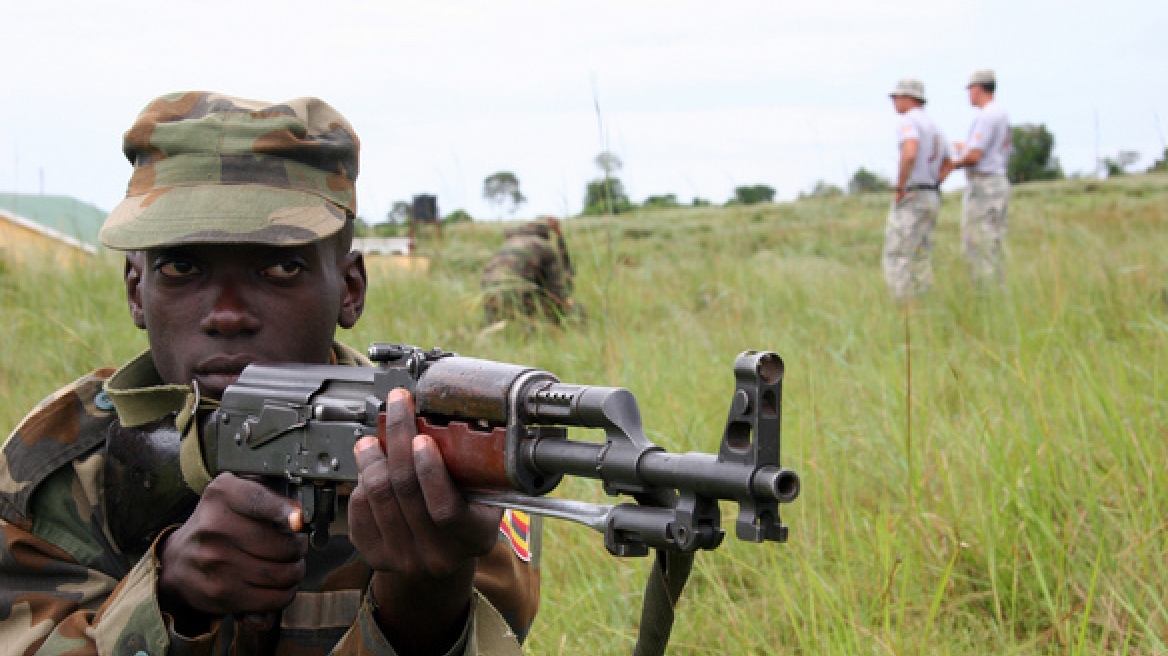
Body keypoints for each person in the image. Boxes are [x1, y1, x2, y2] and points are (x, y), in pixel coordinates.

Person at [0, 92, 538, 656]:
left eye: (281, 266)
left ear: (349, 289)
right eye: (182, 267)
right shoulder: (62, 463)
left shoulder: (449, 448)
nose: (227, 313)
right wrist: (170, 596)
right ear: (137, 291)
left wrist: (421, 600)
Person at [882, 79, 953, 300]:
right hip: (931, 193)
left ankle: (902, 306)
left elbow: (910, 152)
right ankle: (924, 301)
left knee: (899, 253)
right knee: (922, 253)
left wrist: (900, 185)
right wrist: (934, 182)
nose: (893, 102)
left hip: (912, 193)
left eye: (896, 97)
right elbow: (949, 161)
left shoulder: (908, 122)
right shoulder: (935, 127)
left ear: (907, 98)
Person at [950, 69, 1012, 283]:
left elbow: (975, 155)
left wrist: (951, 163)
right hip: (996, 182)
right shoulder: (1000, 113)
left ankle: (985, 293)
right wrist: (961, 147)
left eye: (969, 89)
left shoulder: (987, 116)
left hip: (984, 185)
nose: (969, 94)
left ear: (977, 88)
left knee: (979, 242)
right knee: (992, 241)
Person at [480, 217, 574, 324]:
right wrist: (564, 304)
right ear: (546, 233)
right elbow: (559, 287)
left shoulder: (508, 244)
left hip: (488, 296)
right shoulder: (544, 246)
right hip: (517, 297)